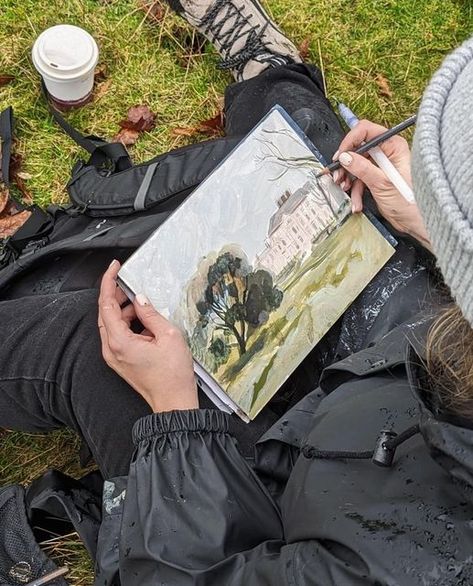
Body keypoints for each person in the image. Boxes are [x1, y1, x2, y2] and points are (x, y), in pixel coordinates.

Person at [1, 0, 473, 583]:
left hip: (262, 502)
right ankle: (268, 70)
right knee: (322, 164)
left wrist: (176, 414)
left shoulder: (406, 562)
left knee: (94, 339)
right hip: (388, 374)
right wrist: (430, 221)